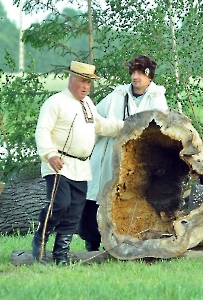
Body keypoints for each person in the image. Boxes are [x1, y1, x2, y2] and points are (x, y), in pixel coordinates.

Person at [32, 61, 124, 265]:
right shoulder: (55, 102)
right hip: (59, 164)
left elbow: (101, 125)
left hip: (81, 168)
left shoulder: (88, 103)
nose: (85, 86)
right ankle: (40, 237)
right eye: (82, 81)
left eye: (89, 83)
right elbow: (42, 130)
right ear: (71, 79)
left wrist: (126, 126)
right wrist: (49, 154)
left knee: (74, 212)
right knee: (60, 204)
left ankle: (60, 254)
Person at [78, 54, 169, 251]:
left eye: (140, 73)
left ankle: (124, 243)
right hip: (108, 154)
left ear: (149, 76)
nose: (135, 77)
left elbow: (159, 131)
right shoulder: (117, 96)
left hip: (137, 159)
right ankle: (92, 242)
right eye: (133, 72)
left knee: (127, 199)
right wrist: (84, 148)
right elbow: (95, 118)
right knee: (97, 197)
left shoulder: (157, 99)